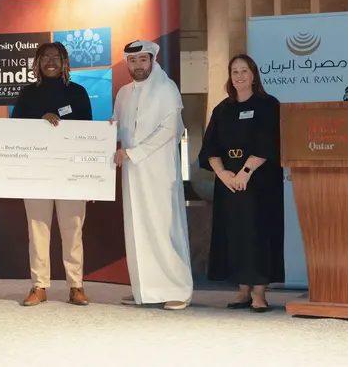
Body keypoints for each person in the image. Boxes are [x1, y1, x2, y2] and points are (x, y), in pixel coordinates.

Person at [198, 53, 284, 312]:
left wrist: (246, 171)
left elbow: (270, 142)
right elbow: (210, 147)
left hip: (260, 181)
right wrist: (223, 174)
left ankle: (260, 293)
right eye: (234, 71)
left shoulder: (268, 104)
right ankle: (242, 291)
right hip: (228, 182)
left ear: (254, 74)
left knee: (260, 234)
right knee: (233, 233)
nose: (239, 76)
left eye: (244, 71)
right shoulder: (222, 109)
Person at [112, 40, 193, 310]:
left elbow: (170, 130)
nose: (138, 65)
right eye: (132, 61)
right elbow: (118, 126)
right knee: (137, 229)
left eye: (142, 60)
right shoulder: (123, 93)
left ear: (152, 60)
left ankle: (177, 290)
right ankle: (145, 290)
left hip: (159, 172)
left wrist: (134, 153)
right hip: (132, 174)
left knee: (163, 228)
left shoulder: (167, 89)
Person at [11, 42, 93, 306]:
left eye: (56, 57)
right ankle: (39, 285)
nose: (50, 61)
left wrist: (89, 179)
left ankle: (76, 285)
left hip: (70, 174)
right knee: (37, 230)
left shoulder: (78, 93)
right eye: (44, 57)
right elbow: (14, 131)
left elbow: (89, 135)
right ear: (36, 62)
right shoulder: (26, 94)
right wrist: (40, 120)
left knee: (73, 230)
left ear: (65, 62)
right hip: (36, 174)